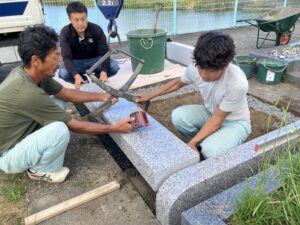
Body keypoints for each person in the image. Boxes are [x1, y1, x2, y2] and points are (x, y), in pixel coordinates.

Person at [0, 25, 133, 183]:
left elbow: (67, 94)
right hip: (8, 154)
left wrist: (102, 96)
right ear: (36, 60)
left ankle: (39, 150)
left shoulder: (32, 74)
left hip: (21, 133)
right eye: (55, 56)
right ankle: (40, 170)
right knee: (60, 129)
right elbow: (74, 126)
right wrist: (114, 129)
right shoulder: (26, 93)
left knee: (59, 100)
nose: (60, 61)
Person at [137, 31, 251, 159]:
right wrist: (150, 95)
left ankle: (213, 143)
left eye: (210, 71)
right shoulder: (197, 66)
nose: (202, 75)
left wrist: (192, 143)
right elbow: (177, 83)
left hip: (235, 122)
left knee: (210, 151)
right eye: (200, 68)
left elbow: (217, 120)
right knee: (178, 116)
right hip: (210, 112)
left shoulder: (237, 82)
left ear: (225, 65)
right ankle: (205, 142)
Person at [58, 1, 119, 88]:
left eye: (83, 19)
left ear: (87, 17)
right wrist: (75, 75)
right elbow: (67, 57)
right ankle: (83, 80)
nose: (80, 23)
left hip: (95, 61)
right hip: (76, 62)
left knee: (114, 66)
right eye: (76, 20)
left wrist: (104, 71)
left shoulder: (96, 29)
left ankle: (98, 79)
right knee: (63, 73)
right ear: (70, 19)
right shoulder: (65, 32)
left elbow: (105, 53)